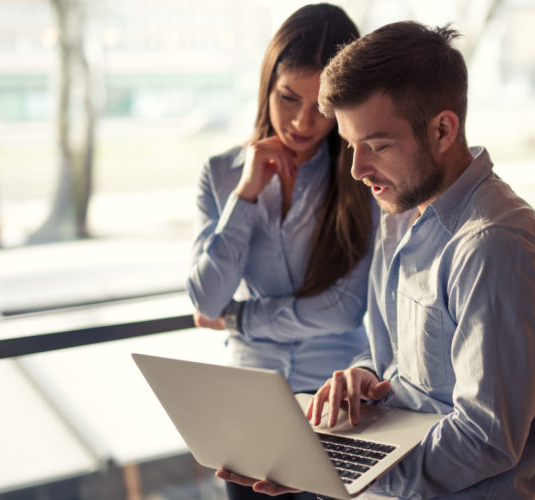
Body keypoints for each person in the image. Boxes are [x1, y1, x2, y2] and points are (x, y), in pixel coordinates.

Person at [220, 21, 535, 499]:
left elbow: (485, 440)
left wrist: (332, 470)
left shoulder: (496, 247)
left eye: (377, 145)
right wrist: (367, 376)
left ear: (443, 129)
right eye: (351, 145)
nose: (357, 169)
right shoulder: (398, 216)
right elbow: (397, 364)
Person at [186, 5, 374, 499]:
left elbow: (344, 309)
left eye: (322, 107)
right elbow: (206, 300)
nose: (301, 121)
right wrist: (246, 196)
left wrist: (239, 319)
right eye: (288, 97)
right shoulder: (221, 174)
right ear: (267, 84)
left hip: (334, 409)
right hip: (249, 412)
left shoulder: (363, 179)